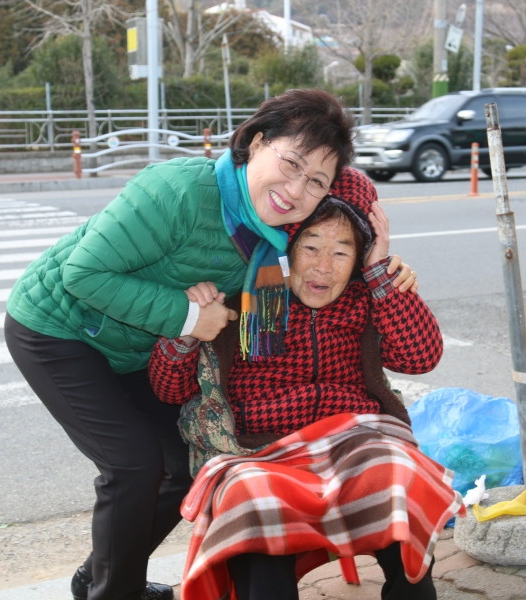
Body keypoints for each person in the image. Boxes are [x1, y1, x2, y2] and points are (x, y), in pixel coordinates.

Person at [3, 88, 355, 600]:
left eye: (316, 182)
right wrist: (189, 315)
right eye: (292, 162)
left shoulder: (275, 246)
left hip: (133, 346)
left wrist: (380, 268)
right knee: (133, 464)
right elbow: (84, 274)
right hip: (58, 327)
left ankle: (100, 575)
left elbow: (266, 340)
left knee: (188, 463)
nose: (296, 189)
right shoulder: (178, 190)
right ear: (256, 143)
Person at [148, 172, 465, 600]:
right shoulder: (249, 298)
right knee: (251, 498)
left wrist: (383, 278)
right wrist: (187, 328)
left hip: (356, 439)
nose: (322, 267)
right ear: (286, 250)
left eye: (342, 251)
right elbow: (168, 390)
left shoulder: (368, 296)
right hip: (258, 451)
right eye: (311, 247)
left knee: (399, 473)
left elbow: (421, 357)